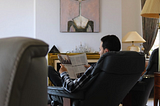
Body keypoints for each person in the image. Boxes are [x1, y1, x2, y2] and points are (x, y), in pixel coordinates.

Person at [48, 35, 121, 106]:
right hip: (101, 99)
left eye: (100, 49)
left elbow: (71, 87)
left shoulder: (98, 67)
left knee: (48, 90)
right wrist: (91, 71)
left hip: (78, 98)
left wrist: (64, 73)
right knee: (50, 70)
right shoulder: (120, 68)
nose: (99, 52)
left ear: (106, 51)